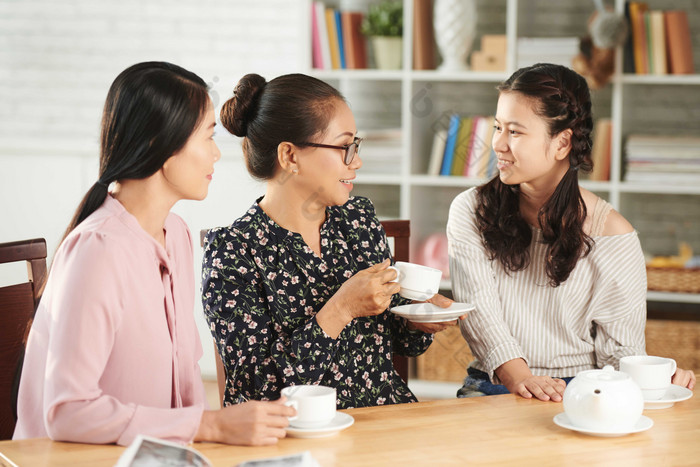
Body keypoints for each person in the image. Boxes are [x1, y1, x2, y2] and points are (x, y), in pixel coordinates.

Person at [14, 62, 294, 447]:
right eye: (208, 137)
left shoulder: (176, 236)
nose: (216, 155)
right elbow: (67, 413)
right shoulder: (97, 251)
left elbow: (185, 380)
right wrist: (211, 426)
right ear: (160, 146)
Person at [201, 73, 460, 409]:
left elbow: (397, 341)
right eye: (344, 147)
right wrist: (340, 309)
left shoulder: (359, 220)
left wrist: (418, 319)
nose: (357, 161)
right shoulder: (234, 252)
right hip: (298, 433)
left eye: (356, 146)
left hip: (385, 418)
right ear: (290, 156)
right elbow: (256, 391)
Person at [447, 63, 696, 402]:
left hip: (585, 389)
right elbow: (479, 310)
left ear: (562, 143)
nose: (498, 145)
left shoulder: (613, 235)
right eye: (497, 127)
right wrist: (520, 377)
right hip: (494, 384)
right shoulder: (471, 209)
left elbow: (620, 351)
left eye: (515, 132)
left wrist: (656, 378)